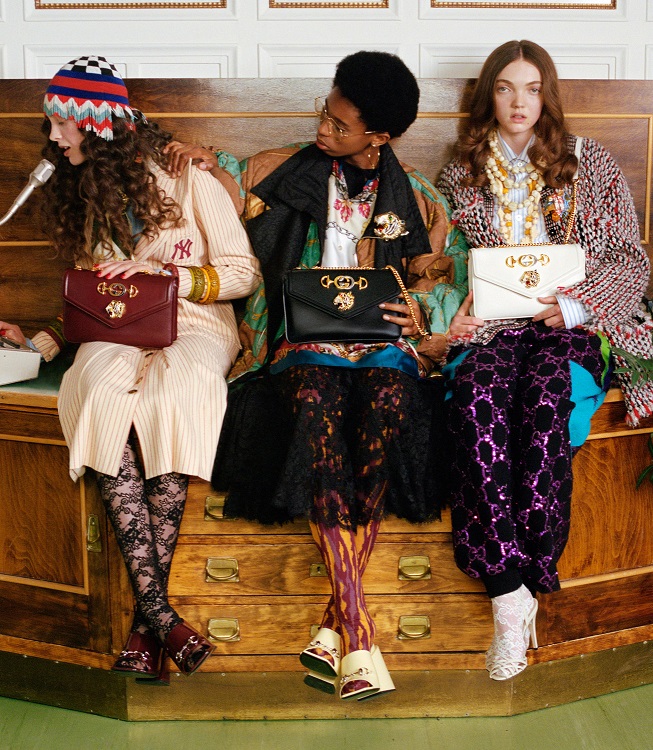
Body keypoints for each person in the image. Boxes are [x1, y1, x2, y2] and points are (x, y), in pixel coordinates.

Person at [166, 50, 468, 699]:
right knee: (315, 402)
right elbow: (228, 185)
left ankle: (340, 625)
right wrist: (203, 161)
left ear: (378, 136)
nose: (322, 128)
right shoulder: (281, 170)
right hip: (299, 346)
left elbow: (443, 278)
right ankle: (357, 630)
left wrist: (418, 313)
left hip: (382, 350)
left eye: (338, 123)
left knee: (388, 403)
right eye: (324, 112)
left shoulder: (419, 198)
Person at [0, 56, 261, 681]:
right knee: (98, 390)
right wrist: (39, 343)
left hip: (195, 323)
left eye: (63, 123)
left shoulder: (189, 177)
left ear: (96, 124)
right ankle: (162, 619)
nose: (54, 137)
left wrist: (165, 275)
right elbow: (90, 298)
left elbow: (243, 273)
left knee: (182, 391)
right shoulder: (84, 192)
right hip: (114, 333)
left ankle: (146, 624)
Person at [437, 39, 653, 682]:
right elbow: (443, 265)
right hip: (495, 325)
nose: (518, 102)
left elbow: (630, 260)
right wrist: (453, 313)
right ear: (489, 95)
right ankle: (508, 592)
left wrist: (578, 305)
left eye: (531, 89)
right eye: (505, 88)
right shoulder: (460, 172)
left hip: (570, 323)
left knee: (546, 395)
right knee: (477, 394)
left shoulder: (591, 162)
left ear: (547, 96)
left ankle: (532, 568)